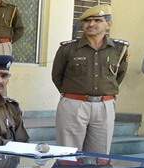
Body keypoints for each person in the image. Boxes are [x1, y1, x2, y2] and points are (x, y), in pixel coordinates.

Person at [52, 4, 129, 154]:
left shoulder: (119, 49)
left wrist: (104, 91)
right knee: (68, 155)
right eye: (87, 21)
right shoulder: (67, 49)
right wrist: (76, 93)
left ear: (108, 23)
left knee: (99, 157)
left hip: (104, 106)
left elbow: (119, 75)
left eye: (97, 20)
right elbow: (57, 76)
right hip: (74, 104)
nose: (91, 24)